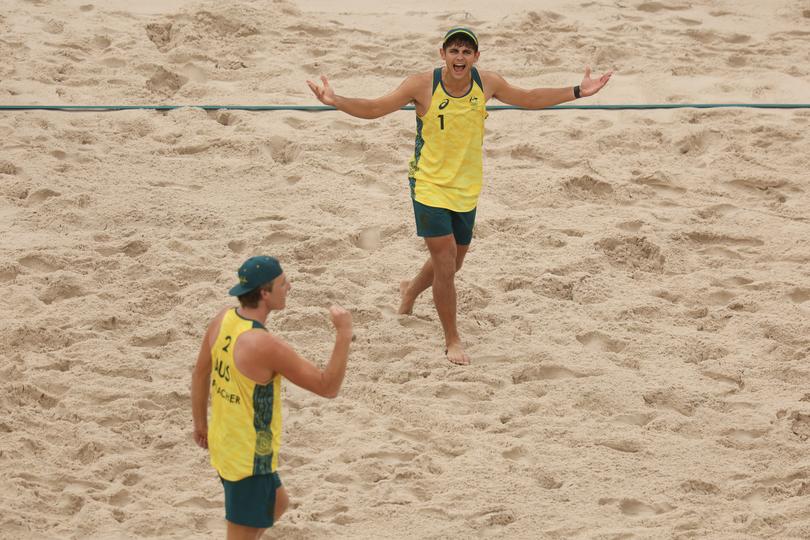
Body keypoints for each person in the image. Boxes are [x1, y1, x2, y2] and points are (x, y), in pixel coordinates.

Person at [307, 27, 612, 366]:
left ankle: (409, 289)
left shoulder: (487, 83)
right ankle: (452, 338)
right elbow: (376, 107)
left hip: (466, 188)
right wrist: (336, 100)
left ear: (476, 58)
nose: (460, 57)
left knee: (453, 263)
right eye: (454, 51)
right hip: (429, 185)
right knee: (446, 264)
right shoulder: (420, 84)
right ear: (443, 54)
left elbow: (529, 97)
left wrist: (578, 91)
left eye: (467, 52)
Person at [191, 255, 352, 539]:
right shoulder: (264, 345)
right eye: (282, 283)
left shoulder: (223, 319)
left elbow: (200, 374)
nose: (289, 286)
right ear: (264, 294)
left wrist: (200, 425)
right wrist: (343, 333)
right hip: (249, 458)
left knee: (279, 503)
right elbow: (328, 387)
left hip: (224, 440)